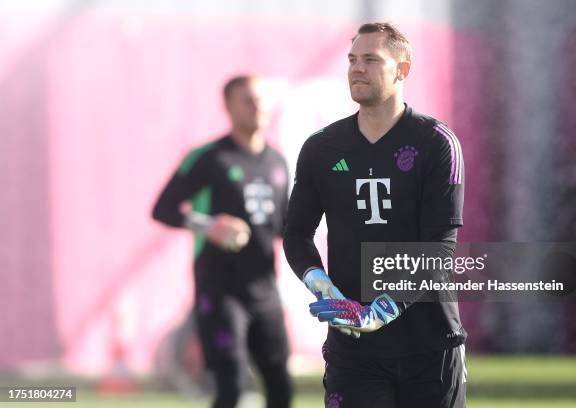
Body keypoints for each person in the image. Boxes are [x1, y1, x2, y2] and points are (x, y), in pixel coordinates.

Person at [283, 23, 467, 407]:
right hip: (354, 348)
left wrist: (381, 310)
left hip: (429, 344)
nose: (357, 69)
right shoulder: (321, 148)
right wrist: (325, 289)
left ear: (402, 70)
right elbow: (297, 235)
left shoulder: (436, 143)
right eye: (352, 59)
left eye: (371, 59)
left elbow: (440, 249)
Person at [152, 75, 292, 408]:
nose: (256, 106)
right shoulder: (209, 158)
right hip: (220, 289)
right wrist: (209, 225)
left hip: (265, 289)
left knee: (280, 383)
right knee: (231, 380)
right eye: (247, 99)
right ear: (228, 107)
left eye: (260, 99)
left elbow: (284, 226)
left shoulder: (278, 162)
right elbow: (163, 209)